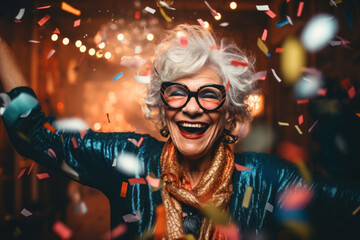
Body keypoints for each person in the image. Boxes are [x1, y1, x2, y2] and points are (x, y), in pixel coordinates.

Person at [1, 24, 359, 240]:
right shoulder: (131, 160)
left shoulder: (267, 178)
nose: (191, 107)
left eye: (208, 93)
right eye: (177, 92)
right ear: (163, 103)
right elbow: (38, 136)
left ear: (229, 110)